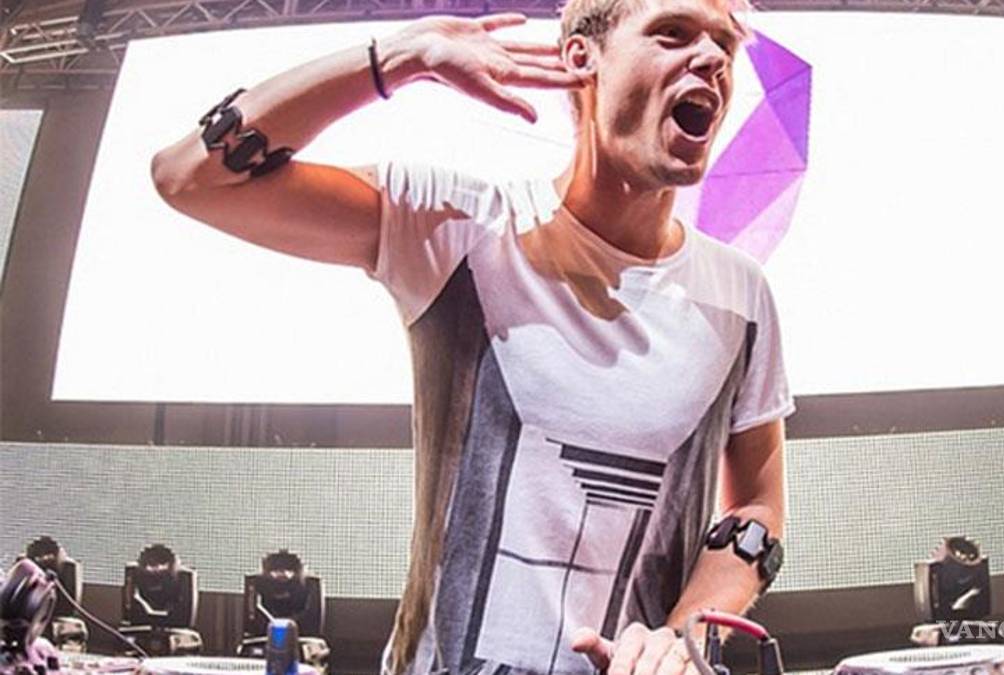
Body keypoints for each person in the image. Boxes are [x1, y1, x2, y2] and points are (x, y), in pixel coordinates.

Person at [150, 0, 794, 672]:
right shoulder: (458, 227)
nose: (712, 59)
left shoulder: (740, 292)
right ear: (583, 59)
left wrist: (684, 636)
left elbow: (756, 504)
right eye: (672, 33)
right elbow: (191, 177)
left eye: (724, 45)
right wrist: (398, 58)